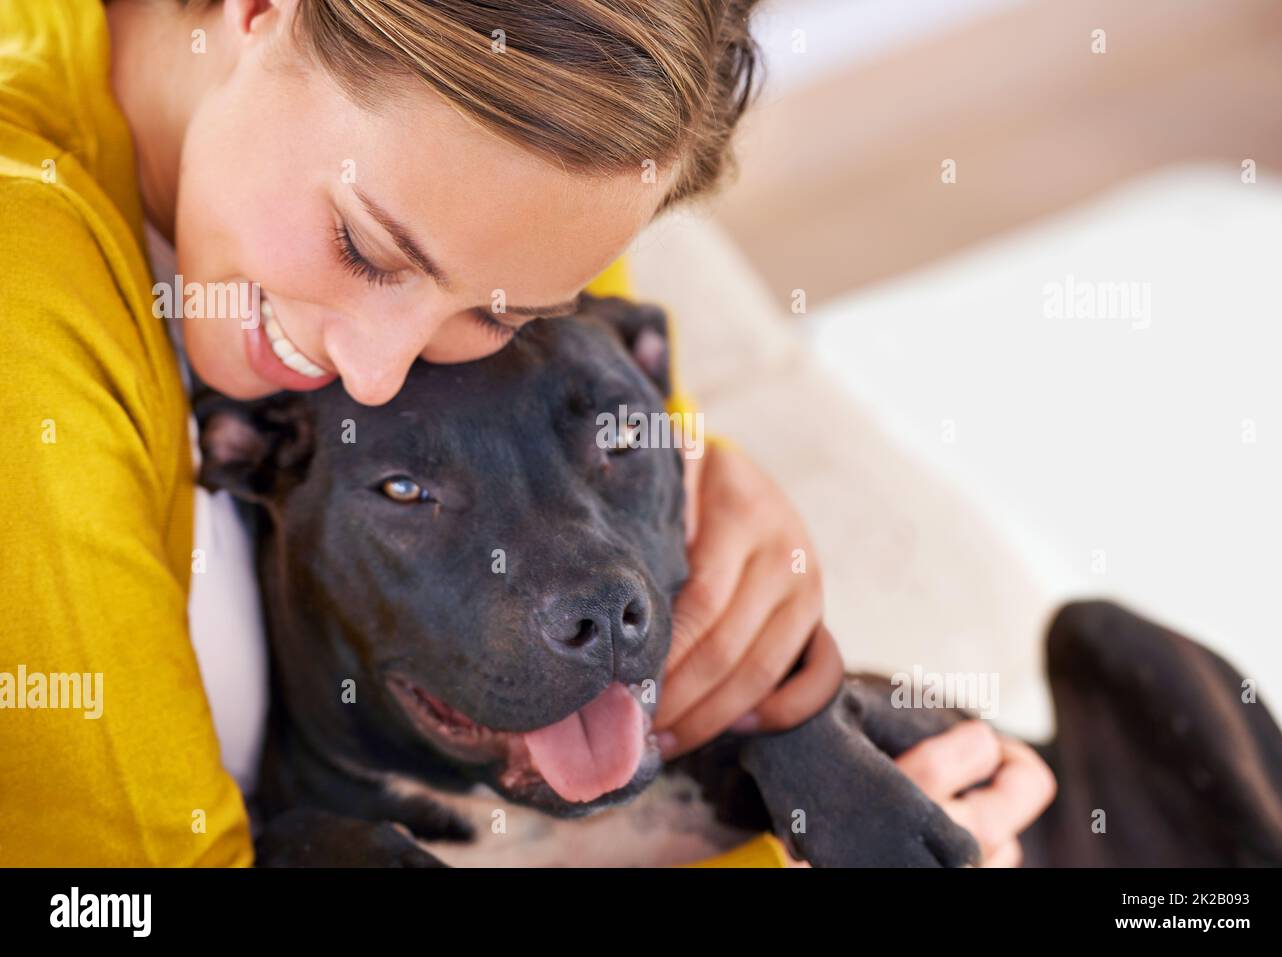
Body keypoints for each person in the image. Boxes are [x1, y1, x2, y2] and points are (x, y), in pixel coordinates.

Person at [0, 0, 1052, 866]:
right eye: (364, 247)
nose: (374, 366)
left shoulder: (528, 150)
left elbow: (613, 474)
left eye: (499, 313)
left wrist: (704, 500)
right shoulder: (21, 288)